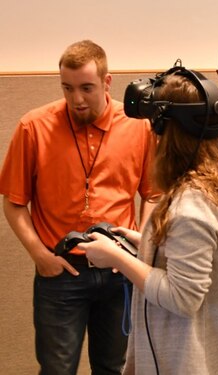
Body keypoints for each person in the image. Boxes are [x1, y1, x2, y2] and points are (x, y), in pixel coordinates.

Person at [79, 70, 218, 374]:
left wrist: (115, 256)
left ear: (168, 134)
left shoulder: (191, 206)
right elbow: (195, 253)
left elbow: (182, 297)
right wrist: (142, 241)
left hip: (208, 361)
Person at [0, 40, 158, 374]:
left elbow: (154, 195)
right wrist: (40, 256)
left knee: (115, 368)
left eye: (86, 88)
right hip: (60, 273)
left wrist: (140, 246)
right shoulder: (33, 127)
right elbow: (14, 202)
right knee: (57, 369)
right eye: (67, 88)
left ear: (107, 82)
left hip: (120, 272)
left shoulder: (138, 126)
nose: (77, 99)